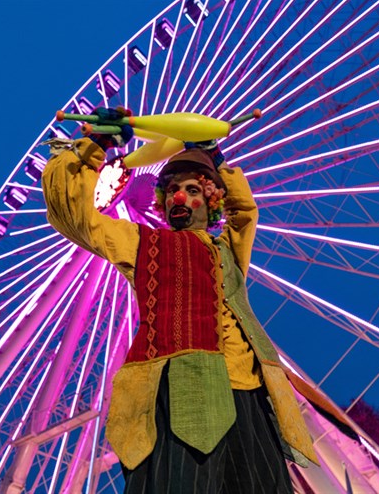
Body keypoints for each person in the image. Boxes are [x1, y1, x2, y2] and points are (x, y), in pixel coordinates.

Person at [42, 118, 318, 493]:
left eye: (191, 189)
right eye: (171, 191)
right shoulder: (143, 244)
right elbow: (78, 218)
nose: (178, 198)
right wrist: (95, 146)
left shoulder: (228, 253)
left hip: (249, 393)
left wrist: (213, 156)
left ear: (211, 199)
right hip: (181, 392)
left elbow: (245, 213)